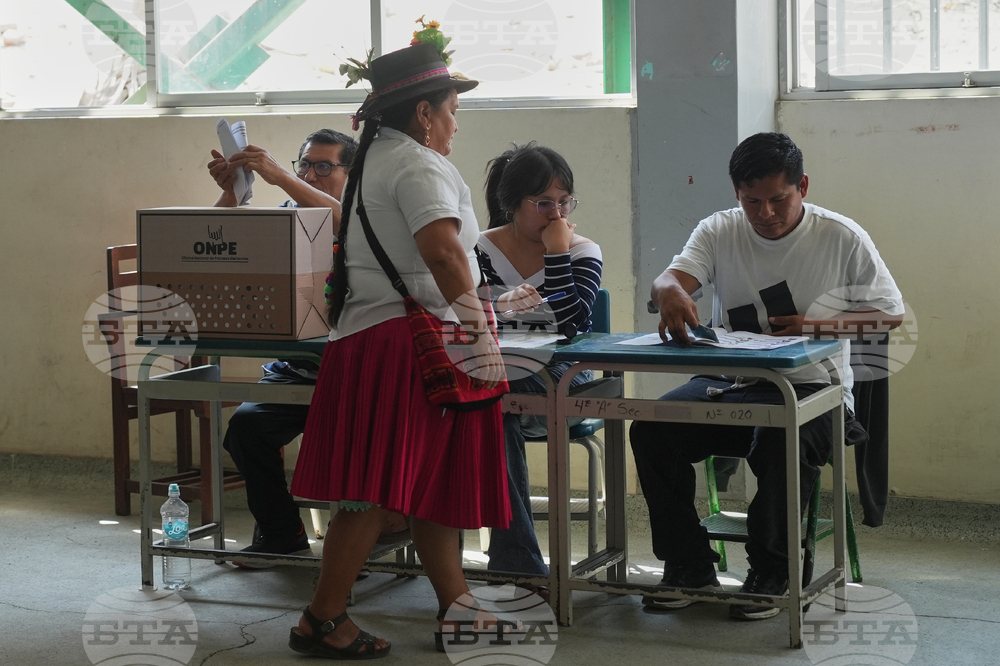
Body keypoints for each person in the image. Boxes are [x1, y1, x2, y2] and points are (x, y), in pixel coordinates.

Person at [286, 41, 509, 658]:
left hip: (375, 336)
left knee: (426, 481)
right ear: (423, 114)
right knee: (371, 489)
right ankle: (322, 618)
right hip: (406, 341)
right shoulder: (417, 166)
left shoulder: (374, 164)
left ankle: (456, 607)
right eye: (451, 109)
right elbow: (443, 253)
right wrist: (480, 333)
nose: (456, 123)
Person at [630, 132, 904, 621]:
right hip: (735, 383)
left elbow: (889, 314)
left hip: (818, 391)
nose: (766, 214)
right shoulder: (719, 230)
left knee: (777, 437)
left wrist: (813, 327)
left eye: (779, 199)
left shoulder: (840, 236)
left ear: (802, 185)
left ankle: (772, 570)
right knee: (653, 430)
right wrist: (668, 289)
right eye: (752, 201)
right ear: (737, 192)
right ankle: (688, 564)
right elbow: (674, 278)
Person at [206, 131, 409, 567]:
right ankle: (282, 535)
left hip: (354, 375)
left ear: (350, 175)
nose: (310, 175)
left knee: (357, 438)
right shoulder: (285, 216)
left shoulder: (363, 217)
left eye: (323, 167)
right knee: (246, 429)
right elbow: (216, 243)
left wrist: (281, 177)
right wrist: (231, 195)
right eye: (304, 165)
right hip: (294, 371)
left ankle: (361, 541)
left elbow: (341, 223)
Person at [475, 142, 603, 581]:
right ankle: (517, 564)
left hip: (563, 380)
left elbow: (567, 325)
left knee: (491, 401)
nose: (557, 213)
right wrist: (513, 311)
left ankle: (516, 565)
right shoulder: (480, 249)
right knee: (490, 408)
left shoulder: (583, 249)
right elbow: (482, 319)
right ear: (512, 205)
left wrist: (556, 254)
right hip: (497, 378)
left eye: (564, 201)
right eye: (543, 203)